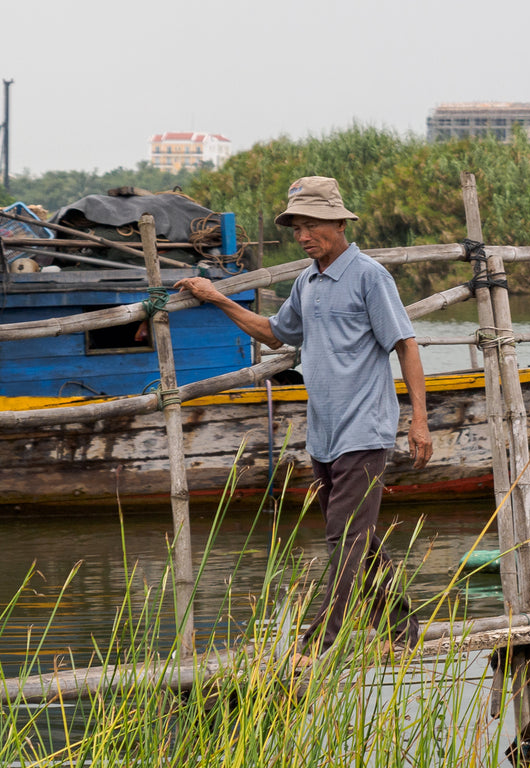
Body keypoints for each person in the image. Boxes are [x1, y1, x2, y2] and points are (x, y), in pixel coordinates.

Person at [175, 176, 432, 657]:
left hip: (365, 429)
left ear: (339, 222)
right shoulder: (307, 281)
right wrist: (218, 298)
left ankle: (318, 641)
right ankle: (402, 630)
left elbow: (406, 344)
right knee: (362, 537)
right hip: (325, 434)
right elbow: (275, 333)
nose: (303, 235)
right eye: (297, 226)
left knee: (344, 536)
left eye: (312, 224)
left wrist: (419, 420)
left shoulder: (369, 276)